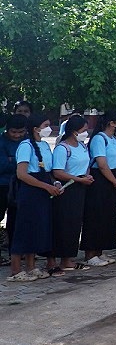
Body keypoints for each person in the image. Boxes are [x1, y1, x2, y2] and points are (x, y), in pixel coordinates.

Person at [8, 116, 59, 281]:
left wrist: (54, 184)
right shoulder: (26, 146)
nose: (48, 128)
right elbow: (22, 174)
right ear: (36, 128)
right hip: (30, 192)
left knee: (37, 229)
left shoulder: (43, 145)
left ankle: (31, 266)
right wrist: (45, 186)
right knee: (24, 228)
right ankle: (16, 269)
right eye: (45, 125)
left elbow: (48, 171)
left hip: (43, 192)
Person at [83, 111, 116, 267]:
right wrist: (114, 181)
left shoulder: (114, 139)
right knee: (96, 215)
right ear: (112, 123)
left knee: (108, 216)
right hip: (101, 179)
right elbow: (102, 164)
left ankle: (101, 251)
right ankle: (90, 253)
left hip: (114, 176)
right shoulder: (99, 139)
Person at [51, 116, 94, 274]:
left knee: (76, 224)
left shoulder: (82, 146)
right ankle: (63, 259)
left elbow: (86, 164)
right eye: (83, 130)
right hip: (68, 189)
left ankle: (69, 256)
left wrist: (86, 176)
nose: (85, 133)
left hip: (81, 187)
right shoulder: (63, 148)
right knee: (65, 224)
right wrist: (78, 179)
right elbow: (58, 172)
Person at [0, 115, 27, 262]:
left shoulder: (27, 142)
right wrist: (18, 163)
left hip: (19, 186)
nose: (17, 135)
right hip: (2, 186)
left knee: (15, 220)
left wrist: (13, 159)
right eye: (13, 132)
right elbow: (2, 165)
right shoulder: (1, 142)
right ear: (7, 130)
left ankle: (15, 252)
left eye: (20, 132)